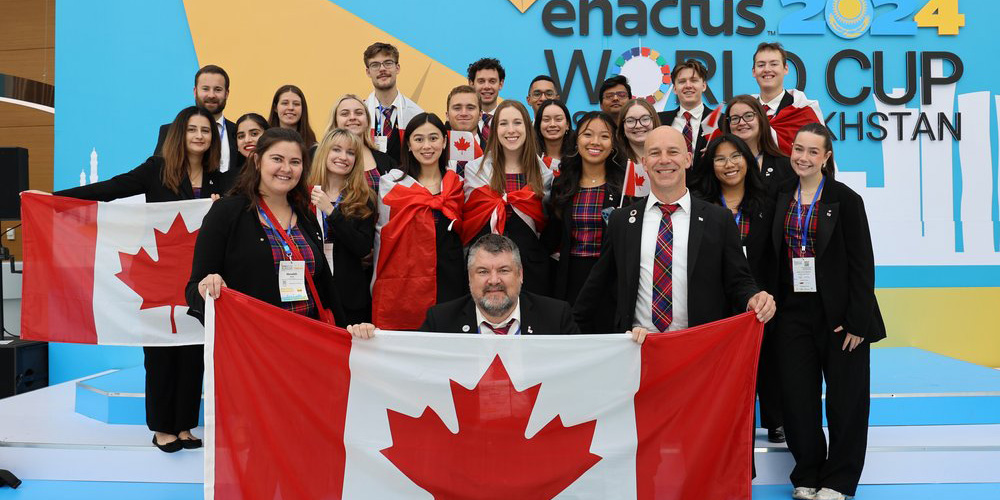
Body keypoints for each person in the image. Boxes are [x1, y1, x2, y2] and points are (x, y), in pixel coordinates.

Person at [58, 106, 228, 453]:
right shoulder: (157, 170)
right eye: (193, 129)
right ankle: (162, 428)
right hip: (159, 278)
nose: (199, 136)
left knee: (194, 352)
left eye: (206, 131)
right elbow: (114, 187)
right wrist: (56, 200)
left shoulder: (220, 181)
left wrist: (221, 205)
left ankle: (184, 426)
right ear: (179, 134)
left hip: (198, 282)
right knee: (161, 353)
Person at [573, 126, 775, 338]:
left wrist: (753, 297)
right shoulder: (622, 221)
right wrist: (563, 338)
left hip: (699, 346)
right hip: (639, 346)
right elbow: (595, 288)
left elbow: (739, 281)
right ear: (644, 163)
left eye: (672, 152)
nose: (664, 160)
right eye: (654, 153)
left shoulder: (719, 219)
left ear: (688, 159)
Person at [771, 123, 884, 500]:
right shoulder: (780, 194)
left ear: (826, 157)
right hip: (792, 313)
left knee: (846, 401)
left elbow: (862, 265)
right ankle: (807, 472)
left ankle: (839, 479)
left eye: (812, 151)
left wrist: (858, 320)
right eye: (798, 149)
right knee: (797, 398)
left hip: (840, 317)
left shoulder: (845, 199)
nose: (803, 157)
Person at [187, 126, 341, 326]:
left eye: (295, 162)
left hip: (307, 342)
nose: (286, 168)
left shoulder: (306, 216)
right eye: (277, 159)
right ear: (257, 161)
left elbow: (325, 287)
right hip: (255, 344)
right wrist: (206, 288)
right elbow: (192, 289)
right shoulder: (226, 212)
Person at [693, 134, 784, 444]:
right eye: (720, 158)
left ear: (748, 160)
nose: (729, 164)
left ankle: (775, 420)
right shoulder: (699, 205)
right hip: (716, 295)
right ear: (710, 165)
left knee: (768, 359)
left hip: (759, 293)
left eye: (736, 157)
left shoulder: (768, 205)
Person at [371, 113, 466, 330]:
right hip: (404, 285)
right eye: (419, 139)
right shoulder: (392, 184)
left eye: (433, 138)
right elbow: (382, 237)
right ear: (409, 145)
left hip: (450, 283)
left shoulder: (457, 185)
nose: (427, 146)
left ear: (444, 141)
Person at [462, 100, 553, 296]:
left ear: (527, 128)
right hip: (486, 272)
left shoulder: (544, 175)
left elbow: (546, 226)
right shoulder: (474, 171)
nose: (511, 130)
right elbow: (471, 222)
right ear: (494, 130)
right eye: (503, 123)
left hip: (532, 272)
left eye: (517, 123)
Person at [547, 111, 627, 312]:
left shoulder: (625, 188)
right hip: (570, 278)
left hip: (610, 280)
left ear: (613, 144)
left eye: (605, 136)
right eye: (588, 134)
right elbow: (551, 237)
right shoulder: (562, 184)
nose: (595, 142)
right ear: (576, 140)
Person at [420, 234, 579, 334]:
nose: (494, 280)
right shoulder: (440, 323)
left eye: (503, 270)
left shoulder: (557, 319)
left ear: (520, 274)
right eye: (483, 271)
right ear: (469, 277)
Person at [308, 128, 377, 325]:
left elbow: (362, 247)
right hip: (313, 290)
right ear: (324, 153)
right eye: (336, 150)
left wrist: (331, 212)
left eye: (350, 152)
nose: (343, 157)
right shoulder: (305, 192)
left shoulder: (364, 197)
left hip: (350, 296)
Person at [154, 65, 242, 174]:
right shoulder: (169, 131)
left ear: (226, 94)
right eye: (205, 89)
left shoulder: (239, 133)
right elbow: (158, 173)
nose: (211, 95)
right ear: (195, 92)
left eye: (218, 89)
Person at [751, 42, 824, 155]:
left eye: (774, 64)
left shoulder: (805, 110)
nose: (767, 69)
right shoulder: (743, 112)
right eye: (761, 65)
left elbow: (820, 155)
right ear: (754, 72)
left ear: (785, 69)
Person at [721, 94, 796, 193]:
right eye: (735, 118)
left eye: (748, 116)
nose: (742, 122)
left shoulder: (784, 166)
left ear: (761, 119)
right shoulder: (717, 163)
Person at [363, 42, 423, 161]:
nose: (382, 69)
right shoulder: (359, 115)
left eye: (388, 63)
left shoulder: (416, 114)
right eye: (375, 65)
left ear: (397, 68)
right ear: (368, 72)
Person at [327, 94, 398, 191]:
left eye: (359, 113)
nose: (352, 117)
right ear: (335, 120)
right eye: (345, 114)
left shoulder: (386, 161)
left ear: (367, 120)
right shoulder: (320, 156)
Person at [657, 59, 714, 166]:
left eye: (694, 80)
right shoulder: (659, 120)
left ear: (704, 86)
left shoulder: (720, 121)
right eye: (682, 81)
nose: (688, 85)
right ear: (674, 88)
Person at [444, 85, 484, 177]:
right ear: (447, 115)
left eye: (470, 108)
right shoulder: (435, 150)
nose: (463, 113)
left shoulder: (494, 150)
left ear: (480, 115)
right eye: (457, 108)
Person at [617, 98, 662, 176]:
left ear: (654, 121)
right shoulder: (615, 162)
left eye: (645, 119)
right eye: (630, 121)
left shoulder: (668, 157)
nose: (638, 126)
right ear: (622, 126)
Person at [268, 84, 317, 151]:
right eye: (285, 103)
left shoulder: (313, 147)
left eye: (296, 104)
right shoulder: (264, 140)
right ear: (275, 108)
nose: (291, 108)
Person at [467, 57, 505, 141]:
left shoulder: (510, 120)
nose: (487, 87)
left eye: (492, 81)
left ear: (501, 84)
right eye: (481, 81)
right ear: (471, 83)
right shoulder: (463, 121)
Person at [534, 99, 575, 173]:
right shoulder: (531, 158)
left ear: (567, 125)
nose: (552, 124)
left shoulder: (577, 158)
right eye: (546, 120)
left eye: (558, 119)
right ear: (539, 125)